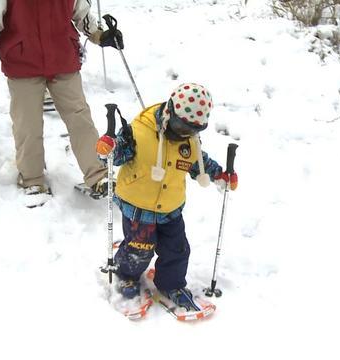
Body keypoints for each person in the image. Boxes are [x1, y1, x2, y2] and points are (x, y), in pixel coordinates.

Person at [95, 83, 239, 310]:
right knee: (139, 249)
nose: (185, 133)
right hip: (138, 207)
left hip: (171, 209)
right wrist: (109, 149)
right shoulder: (139, 132)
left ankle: (171, 284)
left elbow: (199, 164)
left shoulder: (189, 141)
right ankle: (127, 274)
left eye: (192, 130)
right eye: (181, 126)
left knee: (178, 249)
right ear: (170, 112)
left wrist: (220, 174)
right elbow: (118, 154)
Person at [0, 0, 125, 203]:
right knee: (27, 124)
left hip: (63, 56)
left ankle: (98, 174)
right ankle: (32, 179)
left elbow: (80, 10)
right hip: (22, 61)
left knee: (80, 117)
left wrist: (98, 34)